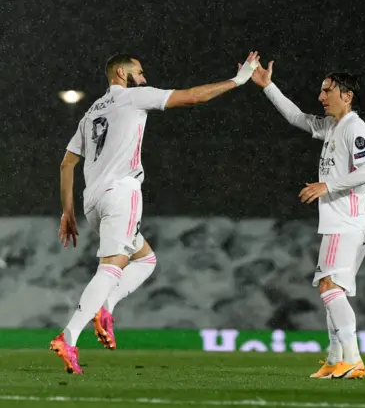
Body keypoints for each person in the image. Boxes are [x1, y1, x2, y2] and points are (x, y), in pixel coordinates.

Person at [51, 51, 261, 374]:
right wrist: (238, 80)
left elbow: (67, 163)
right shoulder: (134, 97)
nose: (145, 78)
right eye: (140, 71)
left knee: (145, 260)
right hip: (122, 194)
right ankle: (69, 336)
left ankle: (104, 306)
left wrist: (68, 212)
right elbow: (192, 97)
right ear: (122, 73)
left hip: (92, 203)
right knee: (111, 268)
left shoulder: (91, 112)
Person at [250, 60, 365, 379]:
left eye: (327, 90)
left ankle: (353, 358)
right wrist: (268, 87)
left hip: (344, 222)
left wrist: (327, 185)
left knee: (328, 285)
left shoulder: (353, 127)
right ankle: (336, 358)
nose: (321, 96)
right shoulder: (333, 127)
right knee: (335, 292)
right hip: (350, 222)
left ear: (346, 95)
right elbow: (296, 117)